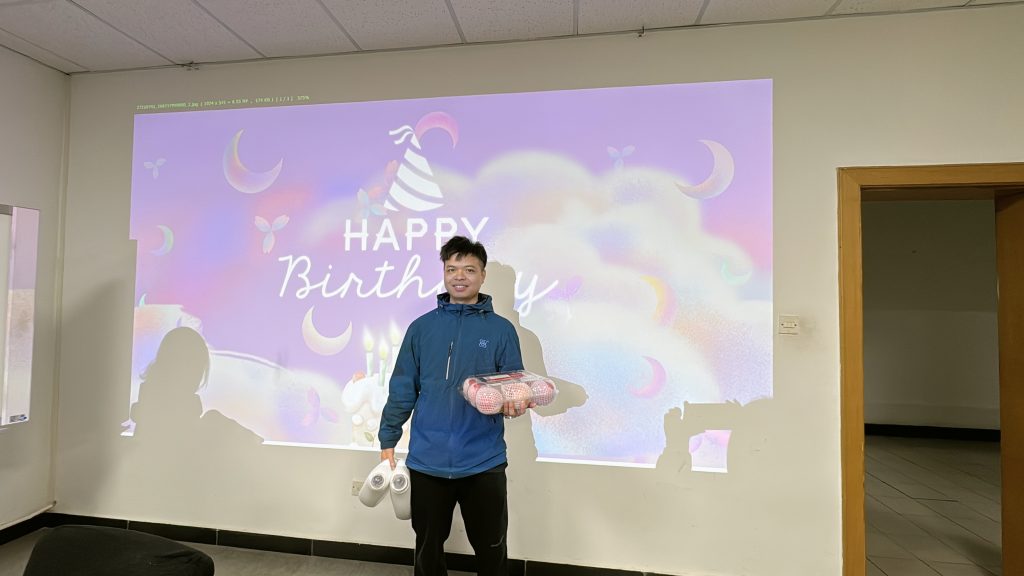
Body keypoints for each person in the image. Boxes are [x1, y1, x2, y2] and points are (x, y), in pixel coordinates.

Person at [379, 236, 528, 576]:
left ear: (483, 275)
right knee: (428, 550)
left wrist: (514, 402)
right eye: (452, 269)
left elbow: (514, 385)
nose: (460, 276)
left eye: (469, 270)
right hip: (427, 460)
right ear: (444, 273)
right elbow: (402, 387)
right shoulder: (421, 328)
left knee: (492, 549)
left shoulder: (501, 330)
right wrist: (388, 435)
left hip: (484, 460)